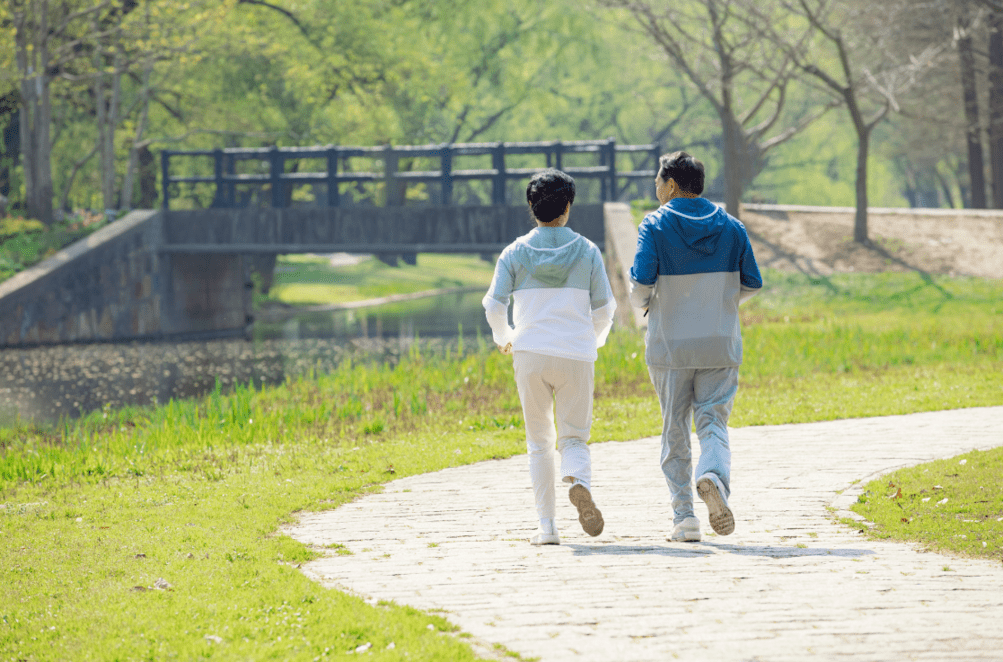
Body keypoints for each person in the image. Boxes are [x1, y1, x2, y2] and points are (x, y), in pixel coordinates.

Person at [629, 151, 762, 542]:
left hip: (670, 346)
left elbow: (639, 286)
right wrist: (718, 303)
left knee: (673, 429)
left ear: (671, 185)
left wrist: (646, 306)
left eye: (657, 181)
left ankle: (685, 518)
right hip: (720, 344)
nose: (655, 188)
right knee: (713, 423)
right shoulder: (733, 227)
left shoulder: (654, 226)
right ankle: (713, 478)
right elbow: (752, 284)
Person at [482, 169, 617, 546]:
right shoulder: (588, 251)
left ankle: (547, 527)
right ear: (568, 207)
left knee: (539, 442)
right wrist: (591, 340)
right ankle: (578, 481)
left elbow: (493, 304)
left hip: (530, 353)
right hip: (575, 354)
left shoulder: (515, 253)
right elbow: (606, 308)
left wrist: (504, 336)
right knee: (574, 438)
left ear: (531, 206)